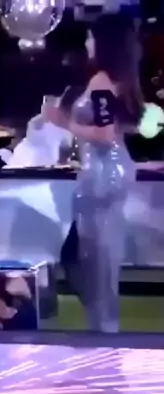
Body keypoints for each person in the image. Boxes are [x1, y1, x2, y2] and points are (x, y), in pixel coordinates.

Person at [43, 14, 144, 333]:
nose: (87, 43)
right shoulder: (120, 80)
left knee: (97, 262)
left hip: (102, 176)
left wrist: (62, 121)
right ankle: (103, 327)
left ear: (104, 43)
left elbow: (105, 134)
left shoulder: (101, 80)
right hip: (108, 173)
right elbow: (123, 128)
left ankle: (104, 333)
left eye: (90, 37)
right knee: (97, 259)